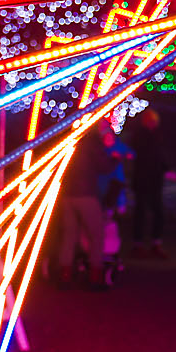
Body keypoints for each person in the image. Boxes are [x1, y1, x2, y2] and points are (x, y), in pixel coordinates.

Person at [58, 120, 129, 288]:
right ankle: (95, 276)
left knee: (69, 236)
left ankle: (64, 275)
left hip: (67, 195)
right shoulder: (92, 144)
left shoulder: (69, 141)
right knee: (97, 235)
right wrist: (116, 159)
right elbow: (104, 167)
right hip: (86, 194)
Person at [128, 109, 175, 257]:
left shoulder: (155, 136)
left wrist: (166, 169)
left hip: (153, 179)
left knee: (156, 212)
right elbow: (152, 155)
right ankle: (139, 244)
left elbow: (159, 156)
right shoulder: (140, 136)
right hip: (144, 179)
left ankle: (155, 243)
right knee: (141, 212)